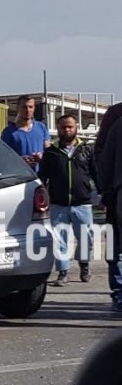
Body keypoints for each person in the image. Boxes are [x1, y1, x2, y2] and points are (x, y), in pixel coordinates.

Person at [37, 115, 96, 286]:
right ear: (58, 128)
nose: (67, 130)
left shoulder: (86, 150)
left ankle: (84, 266)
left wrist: (103, 194)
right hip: (58, 203)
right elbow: (42, 177)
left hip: (82, 203)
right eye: (63, 127)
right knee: (59, 240)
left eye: (70, 126)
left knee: (86, 238)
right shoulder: (51, 152)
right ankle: (63, 272)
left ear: (76, 127)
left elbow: (96, 173)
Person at [95, 102, 122, 311]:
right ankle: (120, 292)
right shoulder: (116, 116)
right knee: (116, 244)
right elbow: (102, 154)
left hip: (116, 189)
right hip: (116, 190)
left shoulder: (117, 120)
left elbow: (103, 155)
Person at [1, 95, 51, 171]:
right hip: (19, 177)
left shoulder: (41, 127)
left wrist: (41, 157)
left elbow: (48, 151)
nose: (27, 110)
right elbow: (3, 157)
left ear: (34, 108)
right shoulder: (8, 132)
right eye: (24, 107)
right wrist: (20, 161)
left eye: (30, 107)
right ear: (17, 108)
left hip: (40, 177)